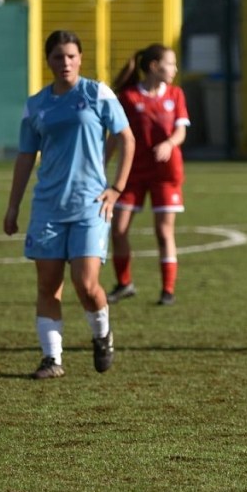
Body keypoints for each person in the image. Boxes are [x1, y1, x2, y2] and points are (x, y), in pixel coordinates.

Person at [3, 30, 134, 379]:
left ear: (80, 58)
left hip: (89, 204)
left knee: (86, 283)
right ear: (48, 60)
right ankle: (52, 358)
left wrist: (117, 187)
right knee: (48, 284)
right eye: (59, 56)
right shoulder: (36, 105)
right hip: (48, 207)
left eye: (72, 56)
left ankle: (101, 334)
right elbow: (25, 156)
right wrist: (13, 206)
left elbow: (126, 138)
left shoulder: (96, 93)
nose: (66, 62)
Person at [105, 44, 190, 305]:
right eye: (170, 63)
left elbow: (181, 130)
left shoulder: (175, 95)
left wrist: (169, 144)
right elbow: (116, 137)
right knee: (118, 230)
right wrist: (100, 166)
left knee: (164, 232)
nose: (174, 69)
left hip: (166, 173)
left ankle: (168, 290)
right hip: (133, 173)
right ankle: (124, 283)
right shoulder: (129, 98)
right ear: (154, 66)